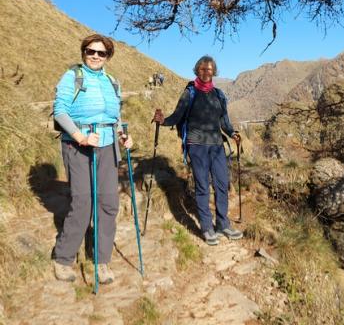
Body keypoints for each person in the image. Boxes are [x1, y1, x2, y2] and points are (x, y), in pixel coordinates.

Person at [52, 34, 133, 283]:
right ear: (83, 52)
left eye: (101, 53)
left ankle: (102, 260)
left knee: (109, 203)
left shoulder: (111, 81)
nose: (95, 56)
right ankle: (64, 258)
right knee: (83, 201)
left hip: (108, 146)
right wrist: (80, 137)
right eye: (91, 51)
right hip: (79, 146)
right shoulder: (72, 76)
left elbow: (115, 115)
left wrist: (123, 136)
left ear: (108, 56)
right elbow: (60, 111)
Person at [152, 55, 242, 245]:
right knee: (202, 186)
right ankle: (207, 227)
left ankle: (223, 224)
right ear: (196, 71)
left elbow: (224, 121)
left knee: (221, 184)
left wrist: (233, 133)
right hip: (197, 146)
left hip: (217, 146)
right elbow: (177, 116)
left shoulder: (219, 95)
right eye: (202, 69)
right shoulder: (190, 92)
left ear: (214, 72)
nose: (206, 72)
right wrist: (163, 120)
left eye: (209, 69)